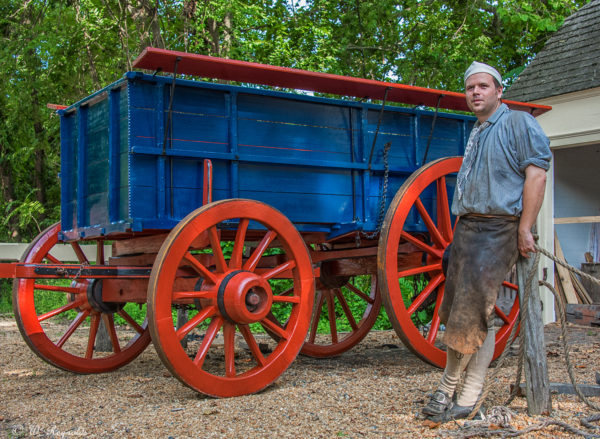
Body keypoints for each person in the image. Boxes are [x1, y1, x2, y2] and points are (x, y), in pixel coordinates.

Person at [421, 61, 551, 422]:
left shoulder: (517, 122)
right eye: (469, 88)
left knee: (477, 311)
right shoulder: (478, 130)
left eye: (482, 86)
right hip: (469, 228)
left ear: (498, 91)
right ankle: (448, 386)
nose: (475, 92)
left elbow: (537, 175)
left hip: (498, 227)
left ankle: (469, 391)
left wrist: (525, 228)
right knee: (455, 312)